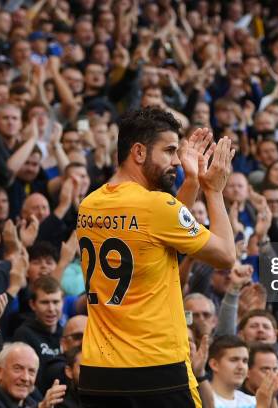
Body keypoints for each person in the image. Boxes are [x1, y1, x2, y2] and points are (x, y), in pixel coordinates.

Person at [76, 107, 236, 407]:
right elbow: (226, 255)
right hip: (156, 370)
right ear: (138, 152)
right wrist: (213, 190)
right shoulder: (155, 206)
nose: (176, 160)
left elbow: (163, 242)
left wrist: (189, 183)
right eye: (170, 151)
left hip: (99, 372)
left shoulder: (90, 204)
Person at [0, 342, 67, 408]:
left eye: (31, 371)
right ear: (0, 372)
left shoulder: (32, 401)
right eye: (17, 369)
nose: (25, 378)